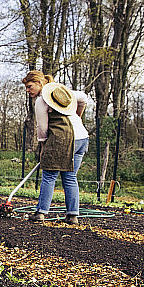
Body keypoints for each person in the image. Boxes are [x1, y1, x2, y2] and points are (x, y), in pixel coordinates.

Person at [21, 71, 91, 224]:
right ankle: (72, 216)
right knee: (70, 176)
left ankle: (40, 213)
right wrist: (79, 116)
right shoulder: (62, 93)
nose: (28, 90)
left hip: (63, 139)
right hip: (82, 138)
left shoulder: (41, 101)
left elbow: (42, 128)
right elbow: (83, 98)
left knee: (49, 175)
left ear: (39, 83)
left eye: (29, 86)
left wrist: (43, 148)